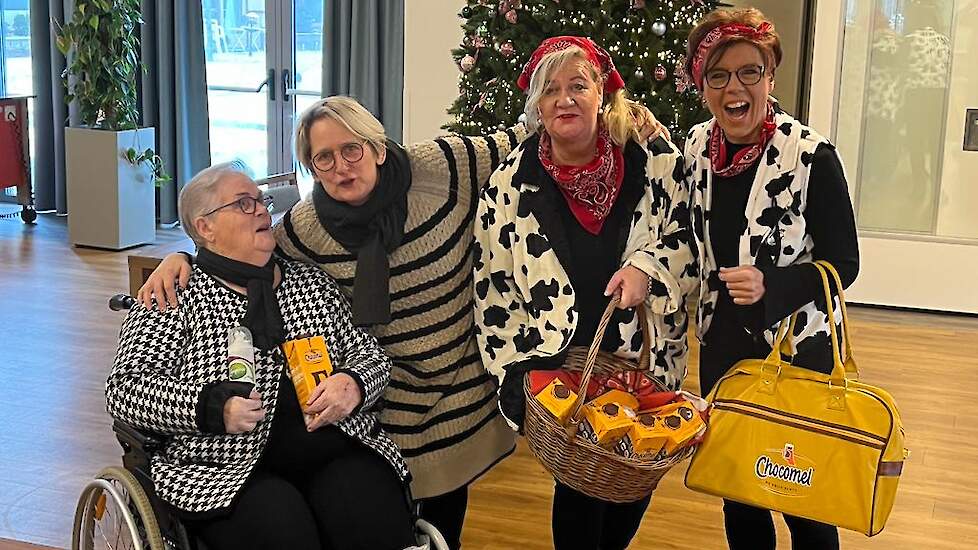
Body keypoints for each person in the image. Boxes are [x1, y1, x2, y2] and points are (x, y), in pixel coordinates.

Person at [139, 95, 665, 547]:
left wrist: (618, 115)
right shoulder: (289, 240)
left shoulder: (436, 171)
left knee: (392, 520)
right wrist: (182, 258)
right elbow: (239, 250)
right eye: (324, 159)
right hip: (310, 437)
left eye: (353, 148)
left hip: (449, 390)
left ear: (377, 143)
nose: (343, 166)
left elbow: (524, 135)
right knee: (292, 527)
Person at [106, 164, 420, 550]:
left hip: (332, 448)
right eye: (243, 203)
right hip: (222, 470)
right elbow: (125, 390)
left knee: (374, 520)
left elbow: (367, 351)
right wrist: (211, 406)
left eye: (260, 200)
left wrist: (353, 383)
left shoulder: (311, 282)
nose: (260, 210)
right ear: (205, 228)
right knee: (282, 528)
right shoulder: (173, 296)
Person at [473, 36, 696, 550]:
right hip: (563, 366)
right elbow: (494, 289)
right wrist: (514, 370)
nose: (564, 100)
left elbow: (687, 240)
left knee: (633, 481)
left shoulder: (652, 159)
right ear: (537, 104)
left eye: (578, 85)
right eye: (550, 90)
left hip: (642, 358)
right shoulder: (511, 186)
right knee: (579, 487)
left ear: (603, 91)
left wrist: (648, 267)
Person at [682, 8, 859, 549]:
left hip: (798, 353)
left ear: (770, 76)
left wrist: (773, 285)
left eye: (749, 72)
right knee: (740, 491)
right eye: (718, 75)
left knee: (802, 498)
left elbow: (844, 263)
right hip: (724, 353)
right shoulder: (693, 150)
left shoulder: (811, 156)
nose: (734, 88)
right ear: (702, 84)